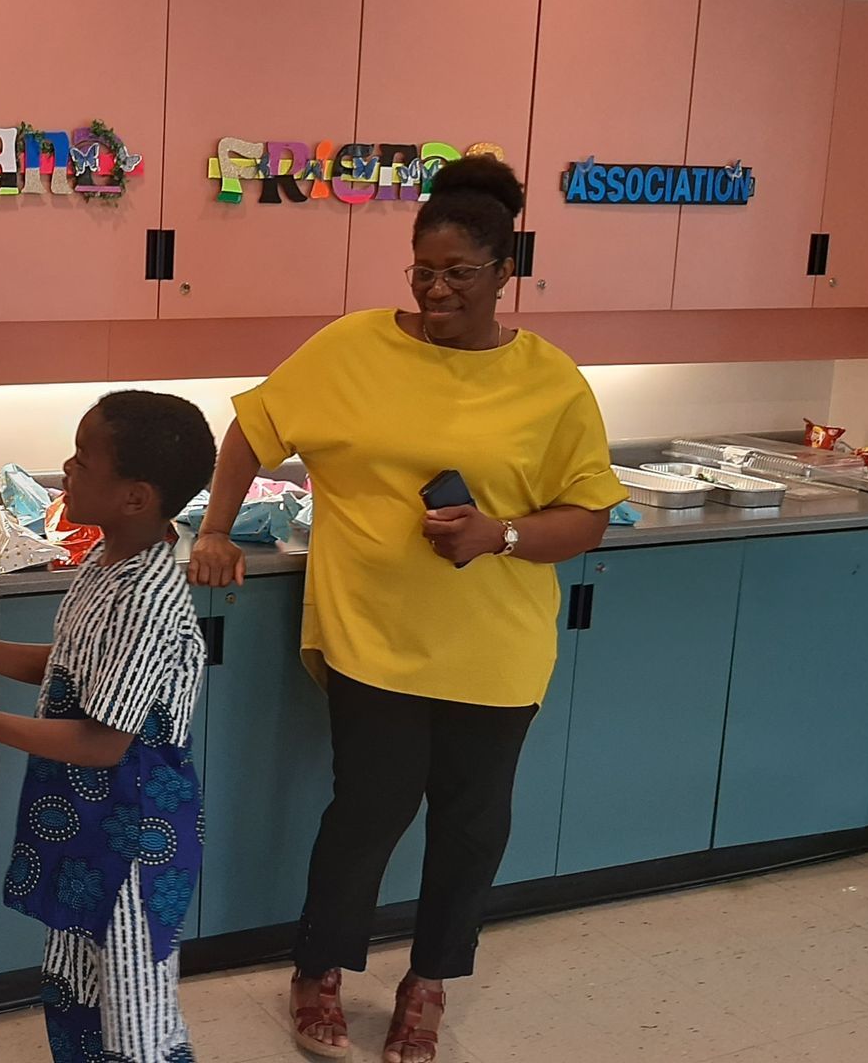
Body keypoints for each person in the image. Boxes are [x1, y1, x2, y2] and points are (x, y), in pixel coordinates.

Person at [188, 156, 628, 1063]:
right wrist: (218, 529)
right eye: (422, 271)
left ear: (506, 271)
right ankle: (318, 972)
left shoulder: (551, 382)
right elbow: (251, 429)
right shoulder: (352, 347)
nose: (435, 291)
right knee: (367, 813)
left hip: (496, 648)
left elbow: (587, 516)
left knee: (471, 825)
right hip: (373, 638)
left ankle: (428, 984)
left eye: (458, 272)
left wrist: (501, 535)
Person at [0, 391, 218, 1063]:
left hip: (134, 839)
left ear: (135, 497)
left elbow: (104, 741)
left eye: (83, 459)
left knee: (135, 1014)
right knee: (77, 986)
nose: (67, 468)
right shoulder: (106, 562)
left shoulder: (147, 598)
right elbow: (71, 667)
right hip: (88, 821)